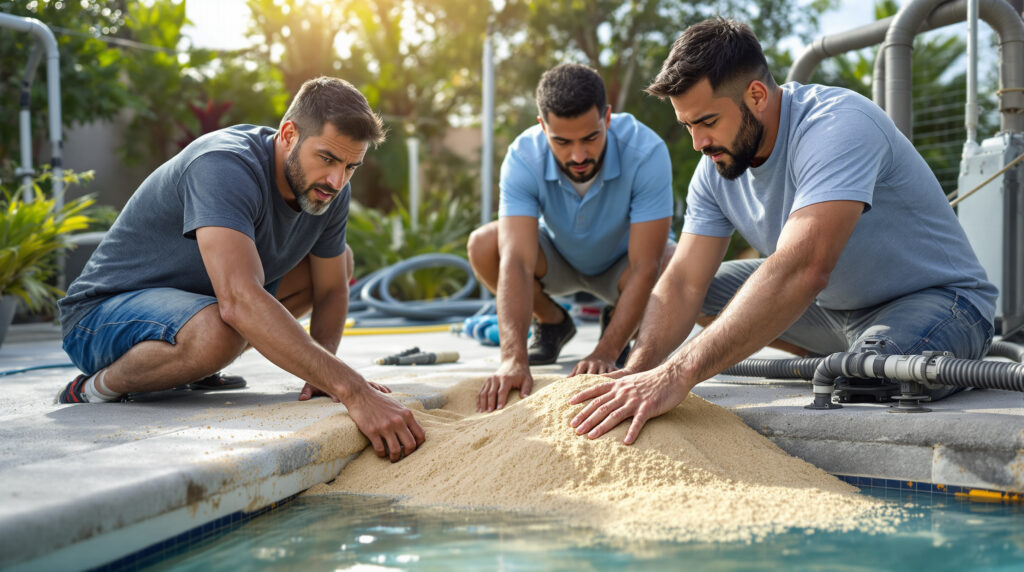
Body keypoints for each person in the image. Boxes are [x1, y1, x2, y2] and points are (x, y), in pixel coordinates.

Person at [569, 18, 998, 444]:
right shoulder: (714, 169)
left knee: (864, 380)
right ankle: (849, 353)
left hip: (939, 302)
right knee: (710, 289)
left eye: (707, 122)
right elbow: (682, 283)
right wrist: (639, 370)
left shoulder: (837, 126)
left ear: (756, 95)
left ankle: (862, 355)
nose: (698, 142)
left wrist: (678, 373)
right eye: (688, 126)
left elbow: (803, 267)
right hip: (832, 312)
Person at [57, 76, 425, 462]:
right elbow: (238, 300)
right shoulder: (224, 164)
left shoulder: (331, 189)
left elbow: (332, 288)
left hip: (192, 307)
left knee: (336, 262)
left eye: (352, 166)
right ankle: (95, 388)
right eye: (327, 158)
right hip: (98, 317)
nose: (336, 180)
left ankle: (192, 366)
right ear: (288, 134)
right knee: (221, 330)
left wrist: (322, 379)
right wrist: (353, 389)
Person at [467, 63, 675, 413]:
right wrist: (512, 360)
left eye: (590, 138)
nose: (578, 156)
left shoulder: (647, 151)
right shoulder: (522, 156)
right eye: (562, 141)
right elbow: (516, 261)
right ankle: (552, 322)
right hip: (558, 259)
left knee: (674, 260)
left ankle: (619, 325)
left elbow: (646, 265)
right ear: (542, 127)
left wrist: (605, 354)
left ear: (607, 119)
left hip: (624, 268)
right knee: (485, 244)